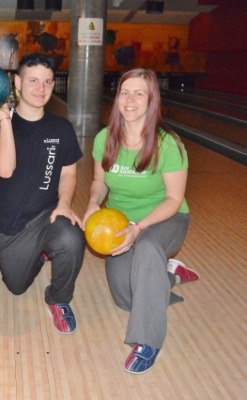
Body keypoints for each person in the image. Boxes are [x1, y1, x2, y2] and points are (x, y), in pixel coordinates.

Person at [81, 68, 200, 374]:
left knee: (147, 248)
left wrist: (139, 228)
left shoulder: (168, 144)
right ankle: (169, 274)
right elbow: (99, 182)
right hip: (122, 220)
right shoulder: (105, 139)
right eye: (125, 93)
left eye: (139, 93)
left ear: (151, 100)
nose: (130, 100)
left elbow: (173, 200)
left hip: (165, 218)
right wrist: (93, 203)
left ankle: (148, 341)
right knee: (126, 299)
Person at [0, 53, 86, 335]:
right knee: (16, 286)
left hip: (45, 215)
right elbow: (4, 169)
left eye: (48, 82)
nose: (41, 89)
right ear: (17, 83)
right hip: (6, 226)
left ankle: (59, 299)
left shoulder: (61, 128)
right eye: (33, 81)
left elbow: (68, 173)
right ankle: (40, 254)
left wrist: (64, 203)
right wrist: (5, 121)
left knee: (71, 237)